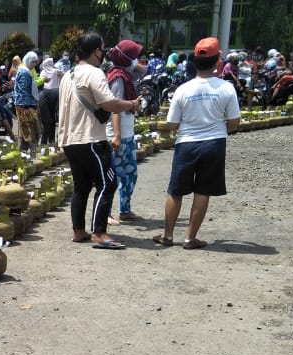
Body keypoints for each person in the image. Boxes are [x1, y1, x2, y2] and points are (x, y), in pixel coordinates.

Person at [152, 37, 240, 250]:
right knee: (203, 191)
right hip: (214, 144)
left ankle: (167, 235)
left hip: (186, 144)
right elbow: (235, 123)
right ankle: (190, 238)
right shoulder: (227, 88)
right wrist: (219, 129)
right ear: (218, 60)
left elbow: (172, 124)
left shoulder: (183, 89)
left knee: (176, 190)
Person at [58, 32, 141, 249]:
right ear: (96, 51)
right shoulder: (94, 73)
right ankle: (99, 233)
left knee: (81, 187)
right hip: (90, 138)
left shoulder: (69, 75)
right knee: (108, 183)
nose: (104, 53)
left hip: (69, 139)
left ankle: (79, 231)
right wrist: (131, 104)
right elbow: (109, 104)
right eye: (102, 49)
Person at [106, 40, 145, 222]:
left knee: (130, 173)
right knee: (113, 176)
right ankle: (105, 213)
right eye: (134, 57)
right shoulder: (118, 77)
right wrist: (117, 135)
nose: (137, 61)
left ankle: (125, 209)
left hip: (126, 134)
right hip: (117, 135)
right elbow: (115, 107)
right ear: (126, 59)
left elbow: (143, 70)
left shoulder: (125, 74)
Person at [14, 51, 42, 152]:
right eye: (33, 62)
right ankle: (32, 153)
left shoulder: (25, 70)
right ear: (28, 61)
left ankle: (23, 152)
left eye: (36, 62)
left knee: (25, 131)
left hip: (27, 103)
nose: (34, 65)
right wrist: (28, 108)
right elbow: (23, 91)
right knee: (30, 130)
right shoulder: (24, 72)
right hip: (25, 105)